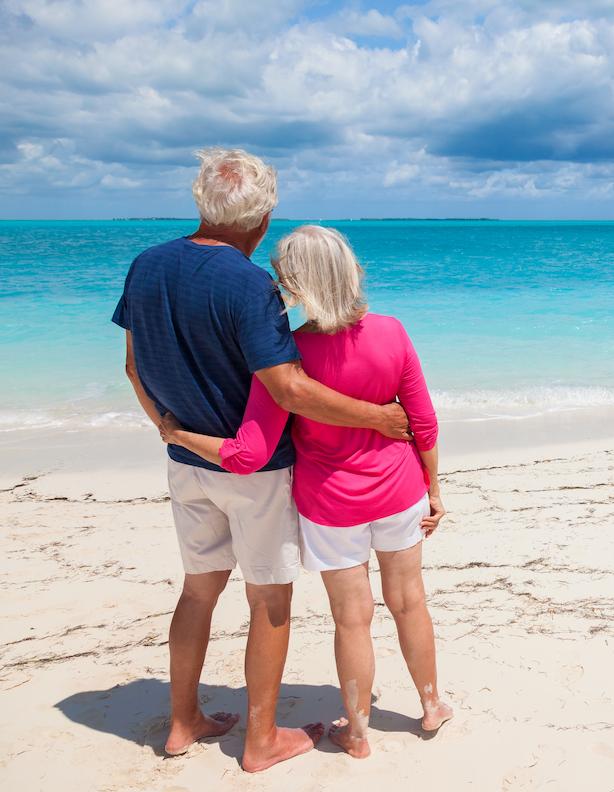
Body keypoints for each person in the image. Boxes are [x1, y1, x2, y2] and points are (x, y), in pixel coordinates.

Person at [113, 149, 413, 772]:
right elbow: (290, 389)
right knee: (269, 601)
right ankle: (260, 741)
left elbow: (134, 367)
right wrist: (381, 418)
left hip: (187, 459)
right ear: (264, 216)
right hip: (257, 472)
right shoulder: (251, 284)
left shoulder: (146, 265)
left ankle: (181, 721)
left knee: (198, 591)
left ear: (200, 200)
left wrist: (168, 429)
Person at [160, 224, 453, 760]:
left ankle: (358, 735)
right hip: (400, 489)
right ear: (352, 270)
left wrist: (177, 433)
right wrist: (434, 488)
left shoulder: (287, 354)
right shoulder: (392, 330)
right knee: (410, 602)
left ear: (292, 286)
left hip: (331, 504)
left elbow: (248, 453)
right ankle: (432, 704)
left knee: (352, 618)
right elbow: (423, 423)